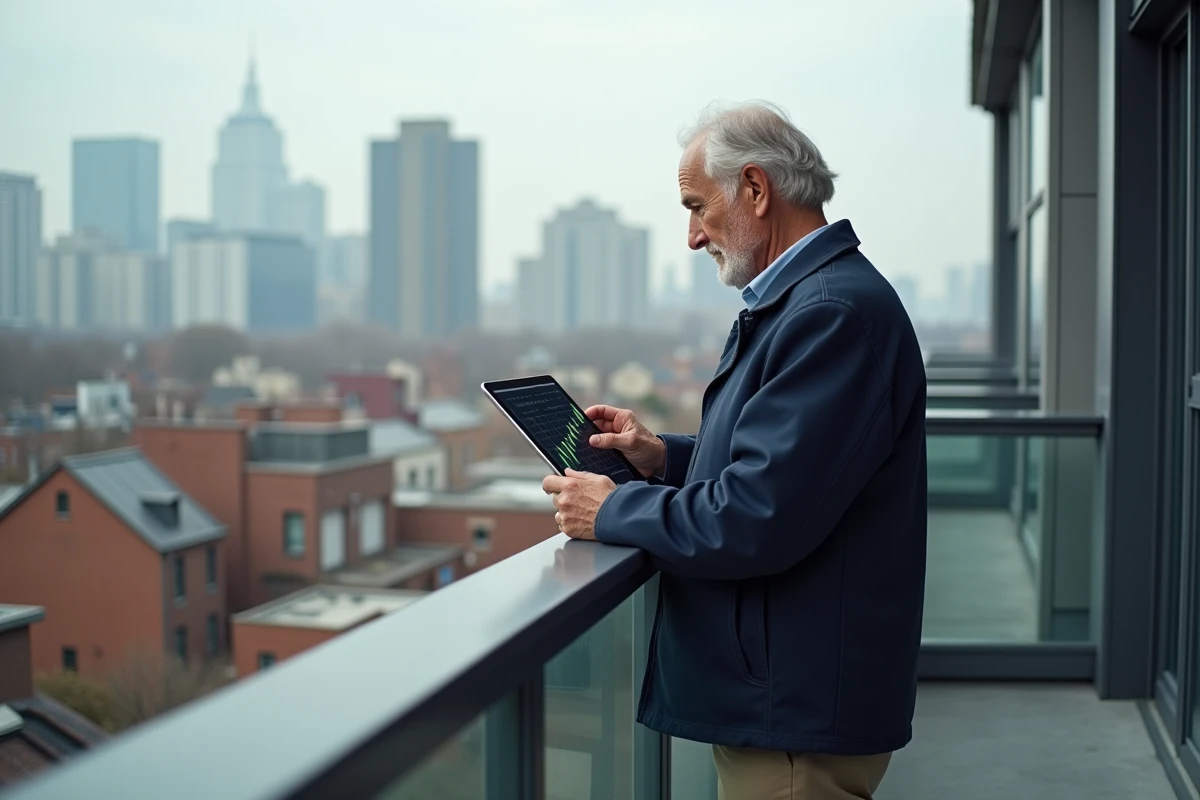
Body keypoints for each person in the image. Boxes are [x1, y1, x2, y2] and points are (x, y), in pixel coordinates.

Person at [542, 101, 928, 800]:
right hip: (786, 701)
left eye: (696, 206)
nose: (691, 236)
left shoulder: (827, 315)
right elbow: (795, 476)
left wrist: (615, 507)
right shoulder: (810, 303)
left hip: (790, 718)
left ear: (755, 189)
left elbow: (757, 517)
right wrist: (666, 459)